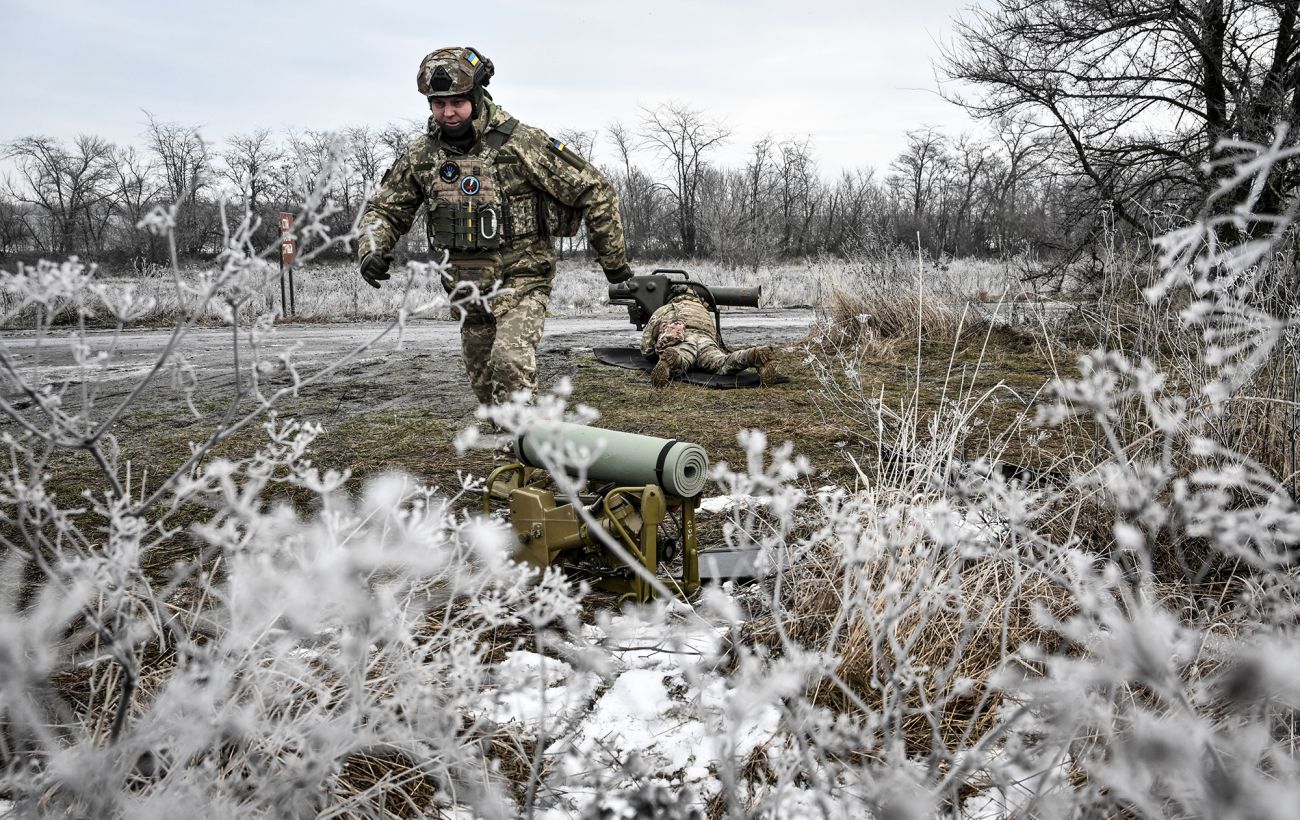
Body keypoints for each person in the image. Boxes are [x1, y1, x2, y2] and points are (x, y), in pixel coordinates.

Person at [357, 46, 633, 406]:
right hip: (467, 287)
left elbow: (593, 188)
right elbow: (385, 209)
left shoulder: (521, 143)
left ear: (476, 95)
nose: (448, 112)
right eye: (439, 104)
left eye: (457, 102)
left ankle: (527, 457)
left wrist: (614, 264)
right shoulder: (422, 156)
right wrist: (372, 247)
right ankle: (514, 450)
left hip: (523, 277)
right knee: (485, 385)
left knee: (510, 362)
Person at [641, 288, 777, 387]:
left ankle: (672, 360)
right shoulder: (703, 310)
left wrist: (651, 355)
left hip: (685, 339)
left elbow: (647, 342)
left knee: (683, 360)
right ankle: (752, 355)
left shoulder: (668, 307)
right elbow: (714, 335)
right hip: (706, 341)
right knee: (722, 363)